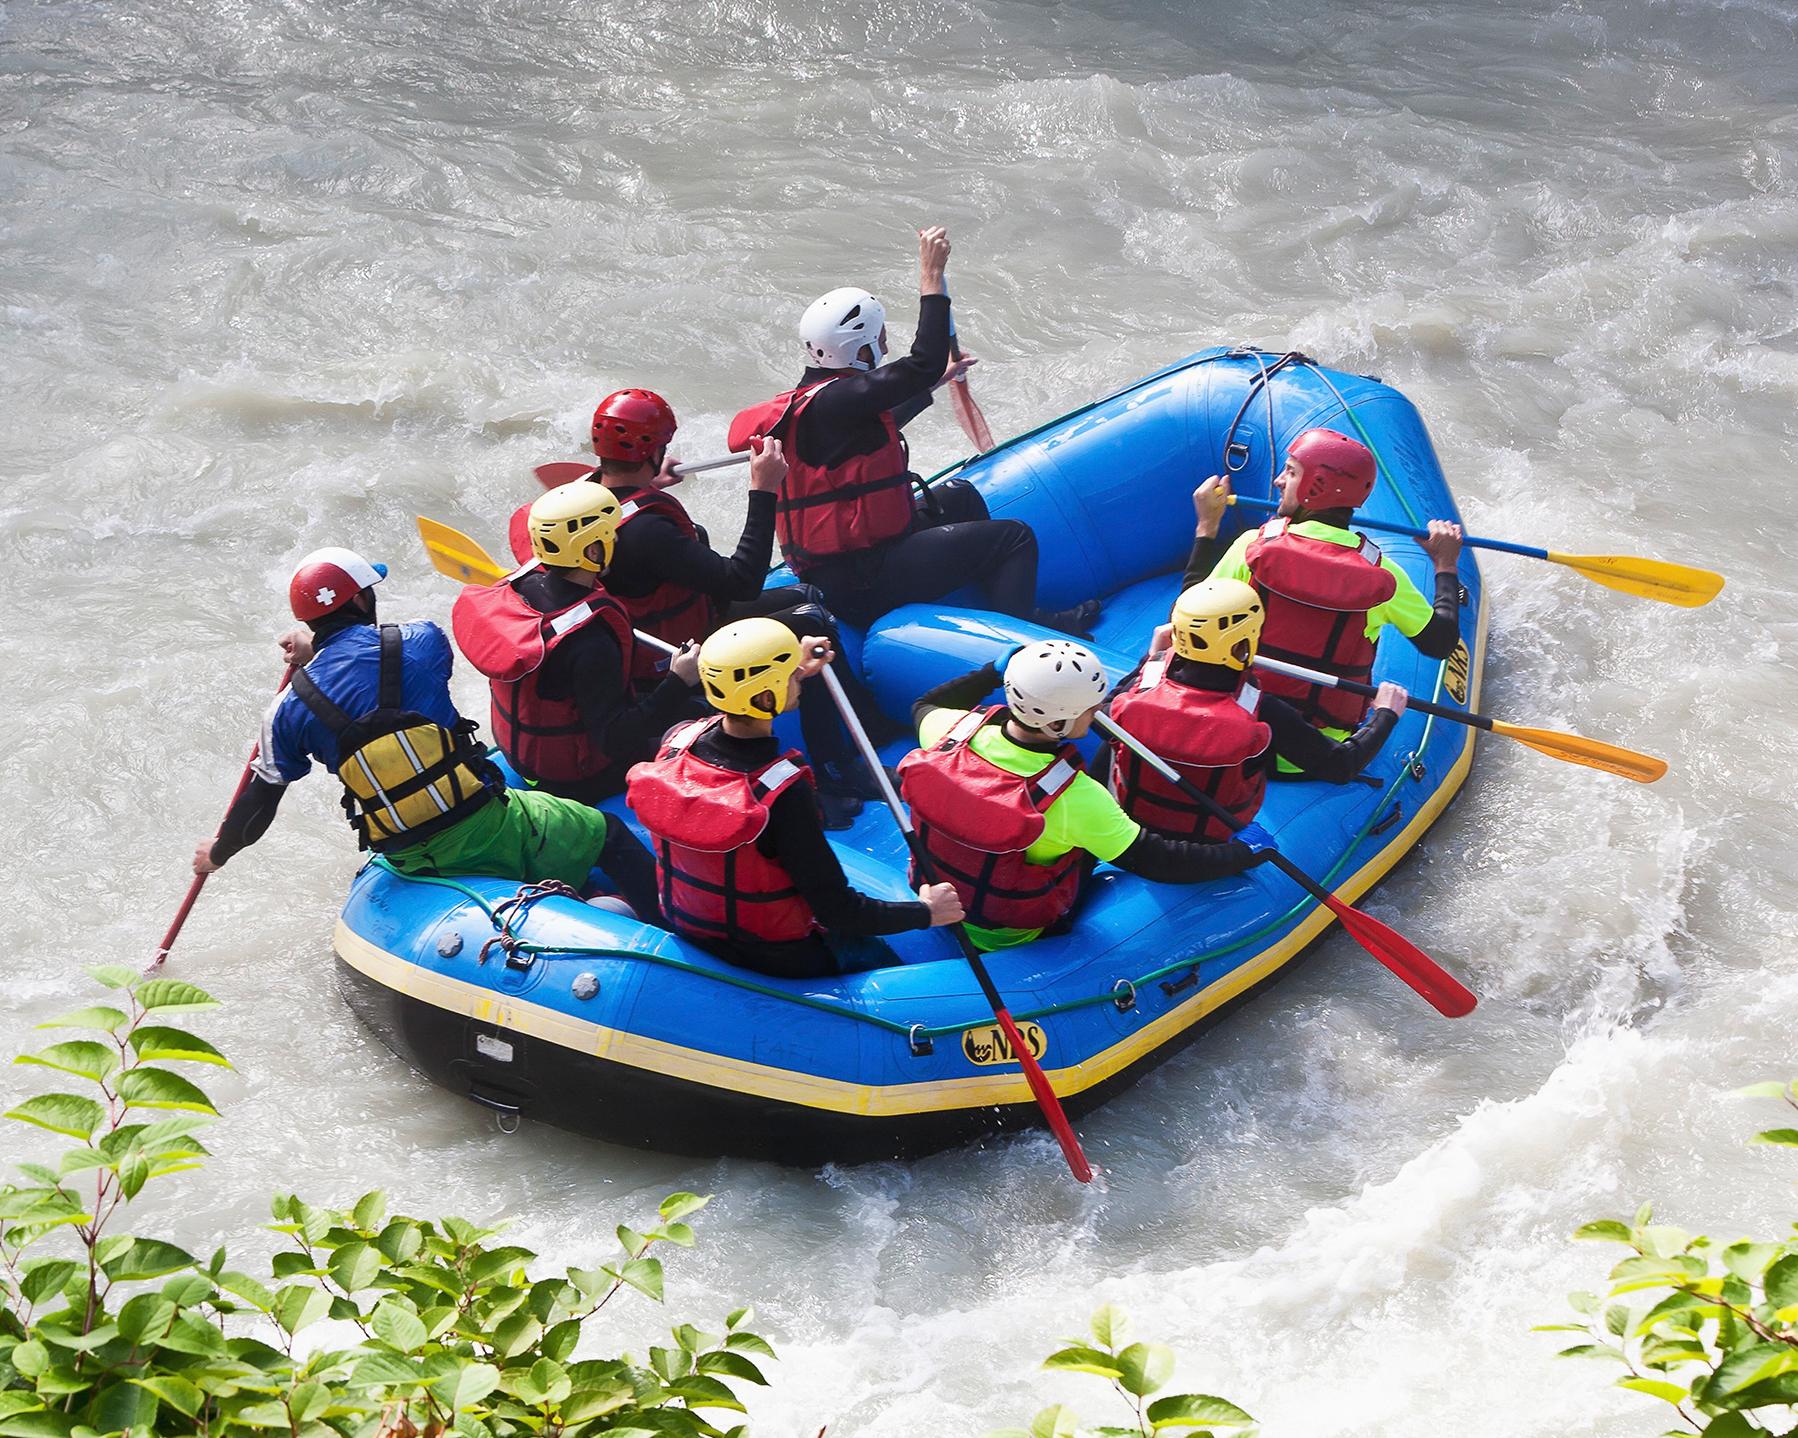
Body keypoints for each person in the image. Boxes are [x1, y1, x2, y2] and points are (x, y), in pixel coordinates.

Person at [191, 547, 658, 916]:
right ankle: (668, 933)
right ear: (359, 599)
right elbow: (377, 666)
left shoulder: (285, 710)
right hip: (488, 823)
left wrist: (218, 852)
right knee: (611, 834)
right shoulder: (420, 642)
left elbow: (257, 807)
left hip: (407, 856)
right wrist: (323, 647)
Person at [513, 389, 896, 826]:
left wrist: (649, 481)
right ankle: (835, 769)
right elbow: (741, 580)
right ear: (653, 450)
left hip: (662, 625)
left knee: (804, 597)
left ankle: (852, 733)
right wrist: (763, 489)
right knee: (811, 623)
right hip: (673, 654)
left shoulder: (586, 499)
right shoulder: (649, 533)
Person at [727, 225, 1097, 634]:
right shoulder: (841, 399)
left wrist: (936, 381)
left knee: (962, 498)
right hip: (863, 579)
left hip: (854, 562)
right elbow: (922, 360)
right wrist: (931, 276)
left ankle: (985, 603)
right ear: (857, 348)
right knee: (1014, 537)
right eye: (878, 341)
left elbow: (870, 433)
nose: (884, 350)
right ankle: (1024, 627)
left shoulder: (819, 400)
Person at [626, 618, 964, 979]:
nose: (797, 680)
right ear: (768, 692)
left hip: (693, 930)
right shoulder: (783, 797)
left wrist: (792, 667)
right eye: (789, 675)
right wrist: (926, 911)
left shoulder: (676, 742)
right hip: (779, 955)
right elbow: (840, 911)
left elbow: (747, 697)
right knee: (880, 961)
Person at [898, 640, 1271, 953]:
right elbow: (1159, 861)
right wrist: (1242, 854)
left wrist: (991, 672)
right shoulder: (1077, 799)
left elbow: (923, 705)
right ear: (1059, 724)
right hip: (1013, 933)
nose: (1098, 712)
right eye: (1091, 708)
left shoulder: (947, 732)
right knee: (1095, 843)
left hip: (938, 900)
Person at [1188, 428, 1462, 745]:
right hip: (1319, 750)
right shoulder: (1384, 575)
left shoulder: (1252, 547)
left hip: (1238, 735)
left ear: (1315, 487)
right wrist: (1445, 564)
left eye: (1290, 473)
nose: (1278, 481)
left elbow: (1186, 617)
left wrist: (1206, 527)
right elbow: (1440, 643)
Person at [453, 480, 706, 805]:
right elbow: (614, 739)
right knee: (701, 712)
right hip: (579, 778)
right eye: (610, 534)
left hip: (522, 755)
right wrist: (678, 681)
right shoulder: (591, 641)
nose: (618, 539)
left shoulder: (522, 589)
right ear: (592, 550)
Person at [1103, 579, 1409, 841]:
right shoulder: (1262, 710)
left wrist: (1150, 657)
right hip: (1214, 840)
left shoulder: (1138, 689)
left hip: (1135, 827)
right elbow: (1341, 766)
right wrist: (1385, 714)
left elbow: (1106, 710)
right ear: (1247, 639)